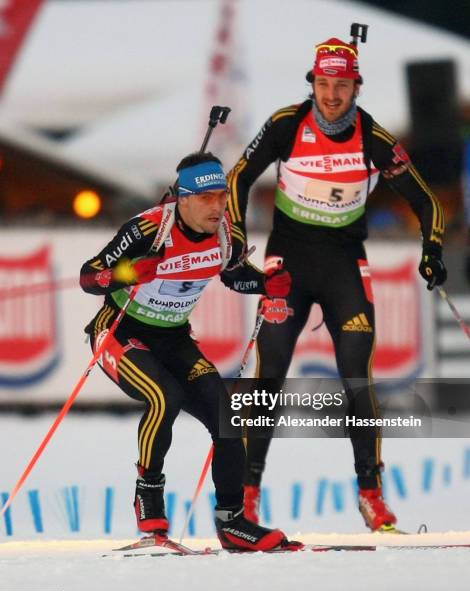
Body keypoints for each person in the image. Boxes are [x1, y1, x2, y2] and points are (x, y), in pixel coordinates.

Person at [227, 36, 447, 531]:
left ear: (355, 88)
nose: (331, 95)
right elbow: (239, 176)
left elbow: (427, 200)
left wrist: (431, 248)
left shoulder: (373, 137)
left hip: (345, 264)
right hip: (287, 265)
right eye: (324, 84)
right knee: (270, 374)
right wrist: (237, 244)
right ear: (313, 84)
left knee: (357, 374)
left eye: (341, 86)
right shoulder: (288, 124)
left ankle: (370, 492)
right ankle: (247, 492)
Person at [79, 152, 296, 551]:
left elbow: (235, 276)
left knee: (226, 415)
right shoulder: (147, 229)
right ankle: (149, 499)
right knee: (165, 398)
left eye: (222, 197)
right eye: (207, 198)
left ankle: (233, 522)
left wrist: (268, 284)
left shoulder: (227, 233)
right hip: (119, 331)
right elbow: (89, 277)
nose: (217, 206)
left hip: (173, 337)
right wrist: (128, 272)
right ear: (183, 199)